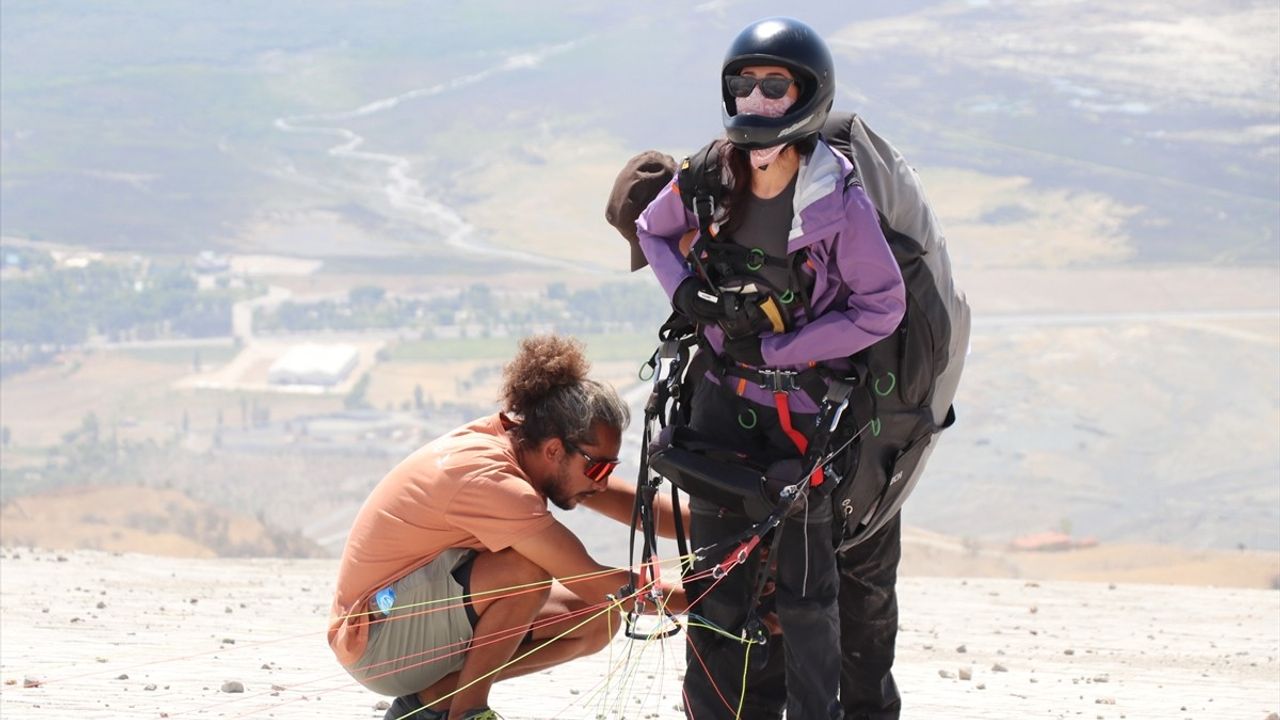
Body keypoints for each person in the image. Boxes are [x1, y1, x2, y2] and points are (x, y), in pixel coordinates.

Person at [633, 17, 907, 720]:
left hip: (804, 422)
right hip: (721, 411)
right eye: (743, 84)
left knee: (807, 601)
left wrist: (782, 350)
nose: (755, 99)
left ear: (806, 95)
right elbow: (652, 231)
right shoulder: (708, 173)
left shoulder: (837, 201)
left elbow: (883, 307)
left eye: (773, 86)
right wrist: (686, 294)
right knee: (714, 588)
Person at [328, 334, 686, 720]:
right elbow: (591, 580)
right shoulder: (494, 482)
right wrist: (710, 597)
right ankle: (468, 711)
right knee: (527, 573)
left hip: (411, 619)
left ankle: (435, 699)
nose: (601, 481)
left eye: (610, 469)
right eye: (598, 467)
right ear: (554, 450)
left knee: (598, 619)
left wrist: (738, 523)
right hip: (377, 644)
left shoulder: (531, 448)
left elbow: (641, 509)